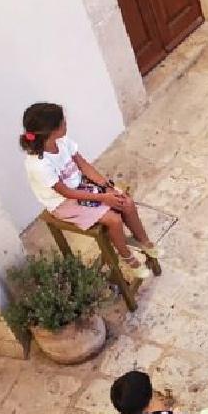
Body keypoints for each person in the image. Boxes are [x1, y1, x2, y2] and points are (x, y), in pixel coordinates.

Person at [21, 102, 157, 280]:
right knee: (114, 220)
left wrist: (106, 186)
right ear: (51, 130)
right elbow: (66, 193)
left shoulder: (62, 142)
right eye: (63, 122)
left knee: (126, 202)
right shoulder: (39, 164)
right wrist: (103, 198)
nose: (66, 123)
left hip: (81, 187)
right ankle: (128, 259)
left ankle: (144, 241)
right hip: (63, 202)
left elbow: (84, 165)